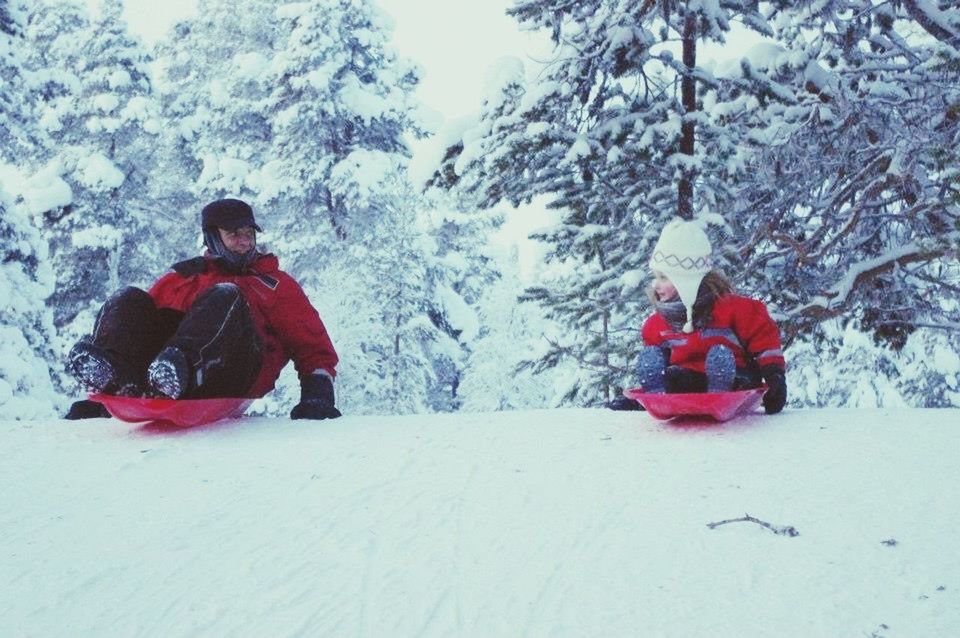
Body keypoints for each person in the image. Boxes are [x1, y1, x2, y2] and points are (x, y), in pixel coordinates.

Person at [65, 198, 341, 420]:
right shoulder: (184, 276)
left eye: (248, 234)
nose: (245, 241)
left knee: (225, 296)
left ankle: (177, 372)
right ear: (212, 237)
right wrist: (112, 405)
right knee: (130, 298)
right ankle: (118, 382)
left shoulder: (273, 284)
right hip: (168, 376)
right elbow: (140, 328)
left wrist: (317, 395)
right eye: (234, 234)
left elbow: (312, 345)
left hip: (234, 374)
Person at [609, 218, 787, 414]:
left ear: (686, 279)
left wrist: (774, 375)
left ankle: (720, 389)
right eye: (655, 277)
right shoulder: (659, 322)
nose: (655, 285)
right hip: (688, 380)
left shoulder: (731, 308)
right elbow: (661, 357)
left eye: (663, 277)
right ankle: (654, 396)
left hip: (736, 376)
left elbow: (763, 338)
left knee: (722, 361)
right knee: (672, 376)